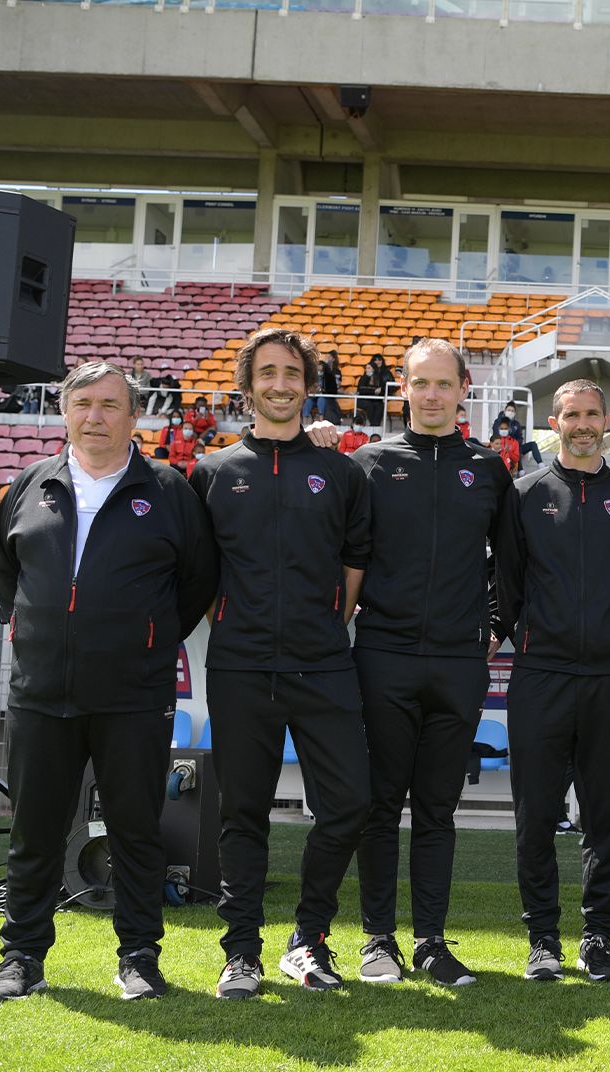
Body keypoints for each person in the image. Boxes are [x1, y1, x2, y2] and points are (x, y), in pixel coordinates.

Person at [0, 364, 217, 1003]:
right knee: (35, 830)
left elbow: (196, 582)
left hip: (134, 695)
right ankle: (22, 957)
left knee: (137, 830)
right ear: (64, 413)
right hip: (40, 693)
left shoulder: (168, 489)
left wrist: (145, 637)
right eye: (82, 403)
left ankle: (139, 957)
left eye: (110, 405)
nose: (95, 417)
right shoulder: (30, 486)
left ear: (132, 415)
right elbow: (12, 579)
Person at [189, 328, 372, 999]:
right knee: (244, 814)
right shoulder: (212, 472)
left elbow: (355, 563)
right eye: (267, 373)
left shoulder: (341, 471)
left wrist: (329, 625)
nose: (279, 383)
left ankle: (308, 940)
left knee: (350, 802)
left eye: (291, 373)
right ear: (248, 385)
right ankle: (240, 953)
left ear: (307, 382)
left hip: (323, 664)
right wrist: (235, 628)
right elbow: (203, 573)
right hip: (240, 668)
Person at [348, 340, 512, 988]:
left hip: (458, 663)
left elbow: (511, 562)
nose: (433, 395)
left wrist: (496, 626)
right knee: (381, 804)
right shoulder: (368, 464)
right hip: (383, 656)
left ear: (464, 388)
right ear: (404, 390)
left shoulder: (488, 468)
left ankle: (432, 943)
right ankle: (377, 940)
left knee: (438, 810)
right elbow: (347, 556)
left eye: (444, 384)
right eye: (421, 383)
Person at [497, 379, 610, 983]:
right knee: (535, 813)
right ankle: (542, 940)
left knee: (604, 816)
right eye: (571, 415)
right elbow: (508, 580)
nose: (582, 424)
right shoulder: (524, 494)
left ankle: (596, 938)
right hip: (541, 673)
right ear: (553, 421)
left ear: (606, 420)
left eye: (591, 414)